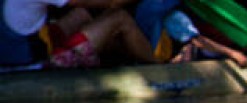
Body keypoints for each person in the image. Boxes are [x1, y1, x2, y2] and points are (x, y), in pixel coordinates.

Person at [2, 0, 158, 69]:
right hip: (31, 63)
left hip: (21, 46)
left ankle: (131, 53)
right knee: (120, 18)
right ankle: (160, 69)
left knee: (81, 14)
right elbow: (112, 2)